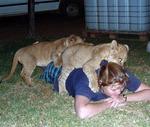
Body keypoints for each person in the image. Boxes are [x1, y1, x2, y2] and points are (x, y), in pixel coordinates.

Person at [41, 60, 150, 119]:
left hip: (79, 66)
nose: (118, 92)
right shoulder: (86, 82)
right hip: (61, 75)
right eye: (114, 89)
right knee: (48, 66)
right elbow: (82, 112)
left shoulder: (121, 76)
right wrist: (109, 103)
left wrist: (124, 98)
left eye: (121, 88)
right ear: (101, 84)